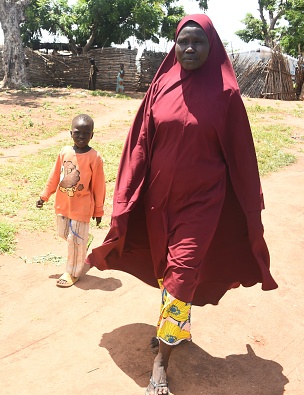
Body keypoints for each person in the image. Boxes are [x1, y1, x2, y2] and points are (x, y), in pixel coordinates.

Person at [85, 15, 278, 395]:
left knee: (183, 271)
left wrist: (250, 206)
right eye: (183, 41)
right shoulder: (161, 87)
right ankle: (176, 323)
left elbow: (241, 156)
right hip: (159, 202)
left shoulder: (226, 96)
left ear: (212, 47)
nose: (189, 48)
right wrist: (129, 194)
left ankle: (161, 363)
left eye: (198, 42)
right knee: (165, 269)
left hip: (202, 205)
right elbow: (140, 142)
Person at [37, 114, 106, 287]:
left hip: (82, 208)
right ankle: (84, 240)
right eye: (77, 132)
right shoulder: (64, 152)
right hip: (63, 204)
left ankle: (72, 272)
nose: (81, 136)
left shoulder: (94, 157)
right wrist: (44, 195)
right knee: (63, 234)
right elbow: (54, 176)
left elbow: (99, 185)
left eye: (86, 133)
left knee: (74, 241)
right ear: (70, 133)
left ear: (92, 135)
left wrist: (98, 210)